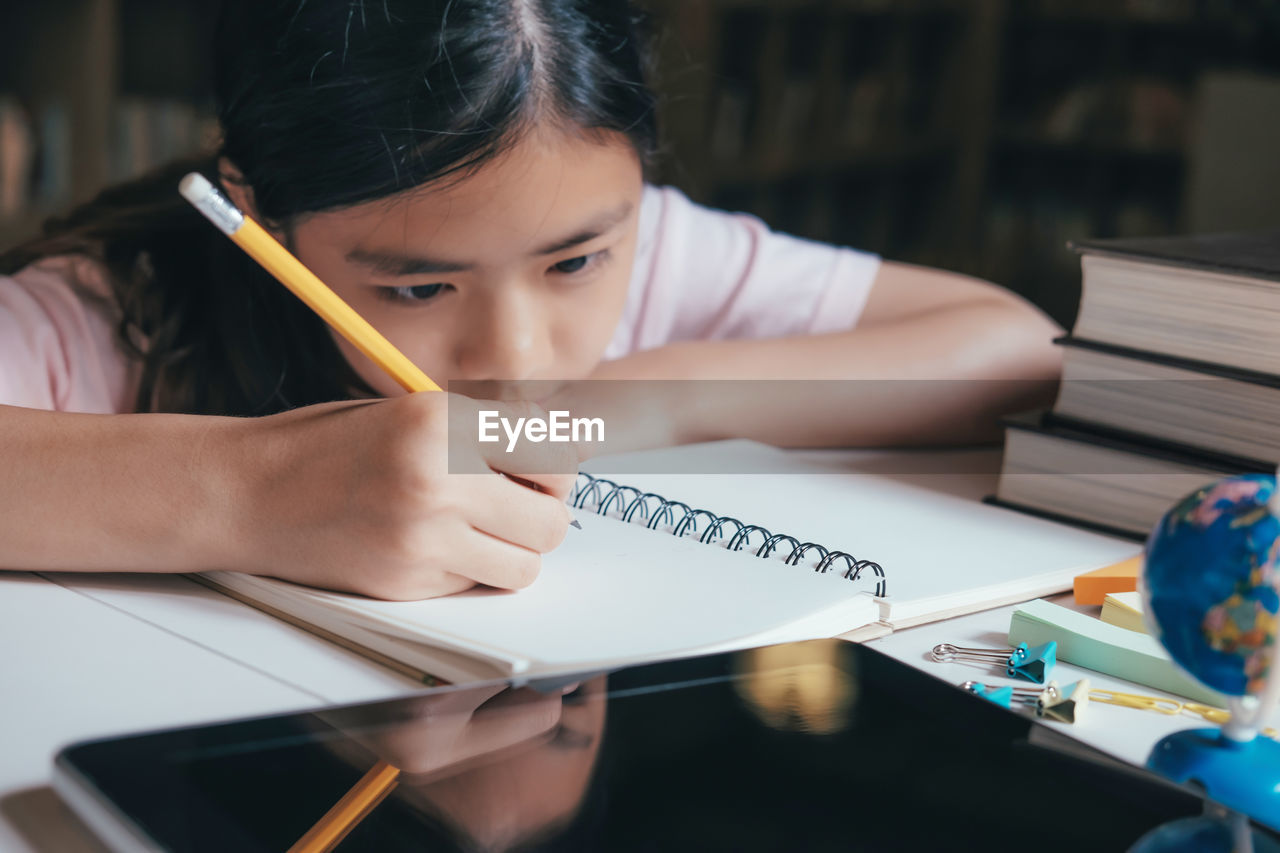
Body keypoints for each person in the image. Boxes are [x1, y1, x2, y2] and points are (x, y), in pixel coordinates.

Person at [0, 0, 1062, 601]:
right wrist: (255, 490)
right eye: (416, 284)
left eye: (573, 266)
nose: (514, 356)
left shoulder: (661, 259)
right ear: (259, 215)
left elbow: (1016, 345)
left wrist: (650, 400)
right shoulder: (113, 314)